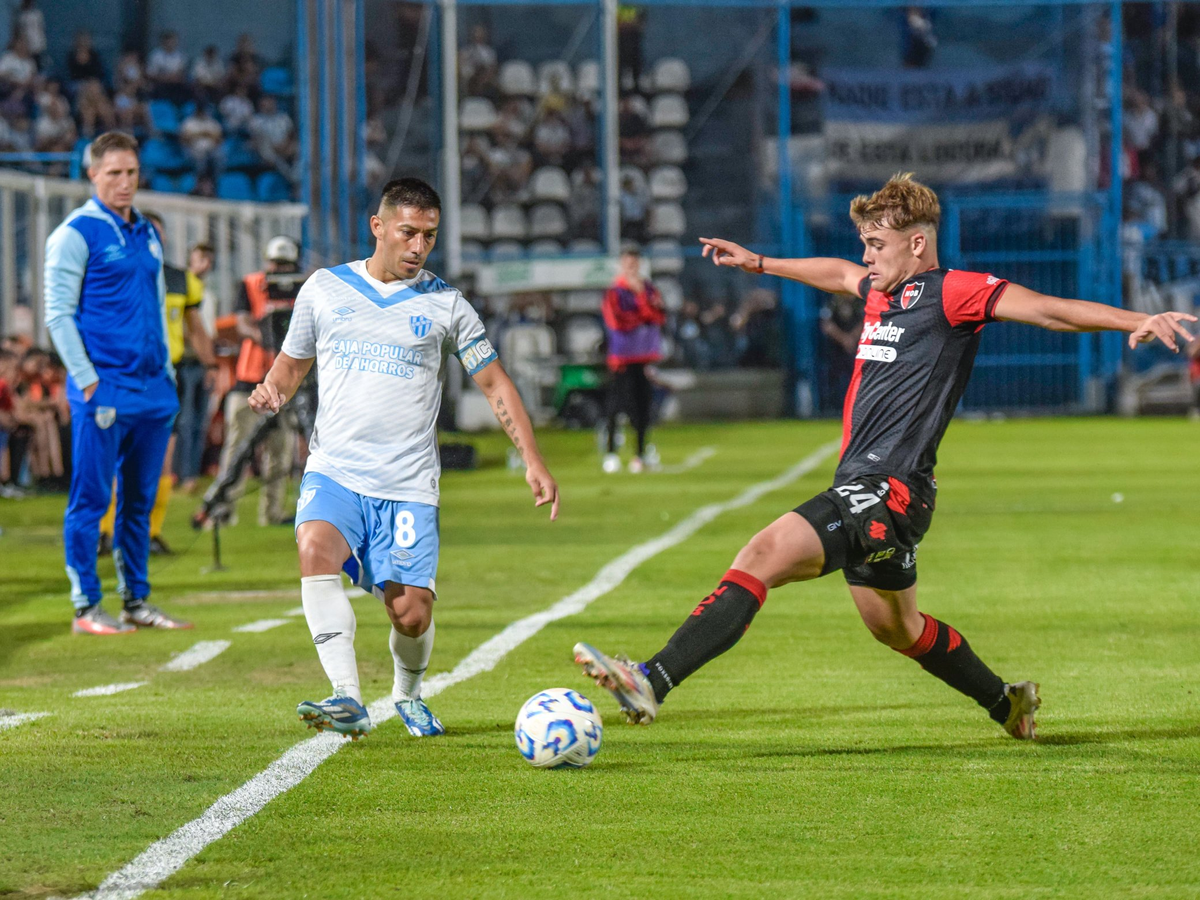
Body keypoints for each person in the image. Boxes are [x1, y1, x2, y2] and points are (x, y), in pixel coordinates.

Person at [574, 172, 1195, 739]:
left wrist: (1135, 320)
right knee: (897, 628)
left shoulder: (952, 292)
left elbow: (1048, 311)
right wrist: (759, 263)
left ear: (917, 245)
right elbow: (834, 271)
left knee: (760, 555)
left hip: (885, 489)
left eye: (877, 245)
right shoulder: (878, 291)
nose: (866, 258)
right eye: (865, 244)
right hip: (886, 492)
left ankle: (651, 679)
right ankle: (1006, 702)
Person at [247, 177, 560, 740]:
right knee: (314, 546)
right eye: (409, 232)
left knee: (410, 612)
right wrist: (272, 390)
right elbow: (291, 366)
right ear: (379, 227)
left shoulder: (446, 305)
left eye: (429, 236)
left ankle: (408, 695)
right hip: (335, 469)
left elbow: (493, 384)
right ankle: (346, 696)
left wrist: (533, 460)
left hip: (409, 484)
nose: (418, 247)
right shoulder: (323, 289)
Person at [43, 131, 191, 635]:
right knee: (91, 500)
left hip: (152, 390)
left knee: (139, 501)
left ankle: (136, 601)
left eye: (131, 173)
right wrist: (86, 382)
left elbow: (152, 302)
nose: (125, 183)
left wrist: (167, 374)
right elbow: (57, 315)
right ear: (92, 174)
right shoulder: (75, 233)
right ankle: (86, 605)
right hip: (103, 389)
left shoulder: (146, 231)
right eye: (113, 174)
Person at [99, 214, 214, 556]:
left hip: (168, 376)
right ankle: (107, 532)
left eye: (156, 233)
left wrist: (210, 363)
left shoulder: (181, 280)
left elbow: (194, 326)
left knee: (162, 458)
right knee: (118, 455)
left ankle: (150, 532)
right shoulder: (115, 275)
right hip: (125, 375)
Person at [203, 235, 305, 526]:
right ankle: (223, 510)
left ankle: (271, 513)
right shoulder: (250, 283)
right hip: (250, 377)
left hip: (284, 381)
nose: (280, 269)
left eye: (285, 264)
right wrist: (263, 334)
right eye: (276, 263)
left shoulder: (302, 287)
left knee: (280, 451)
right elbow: (242, 320)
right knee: (237, 449)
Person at [601, 244, 664, 474]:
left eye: (634, 262)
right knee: (616, 407)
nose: (631, 266)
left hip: (643, 357)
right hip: (621, 358)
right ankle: (610, 453)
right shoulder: (615, 292)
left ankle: (640, 454)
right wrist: (642, 310)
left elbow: (657, 316)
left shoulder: (648, 289)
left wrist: (641, 304)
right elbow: (617, 321)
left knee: (643, 407)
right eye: (627, 262)